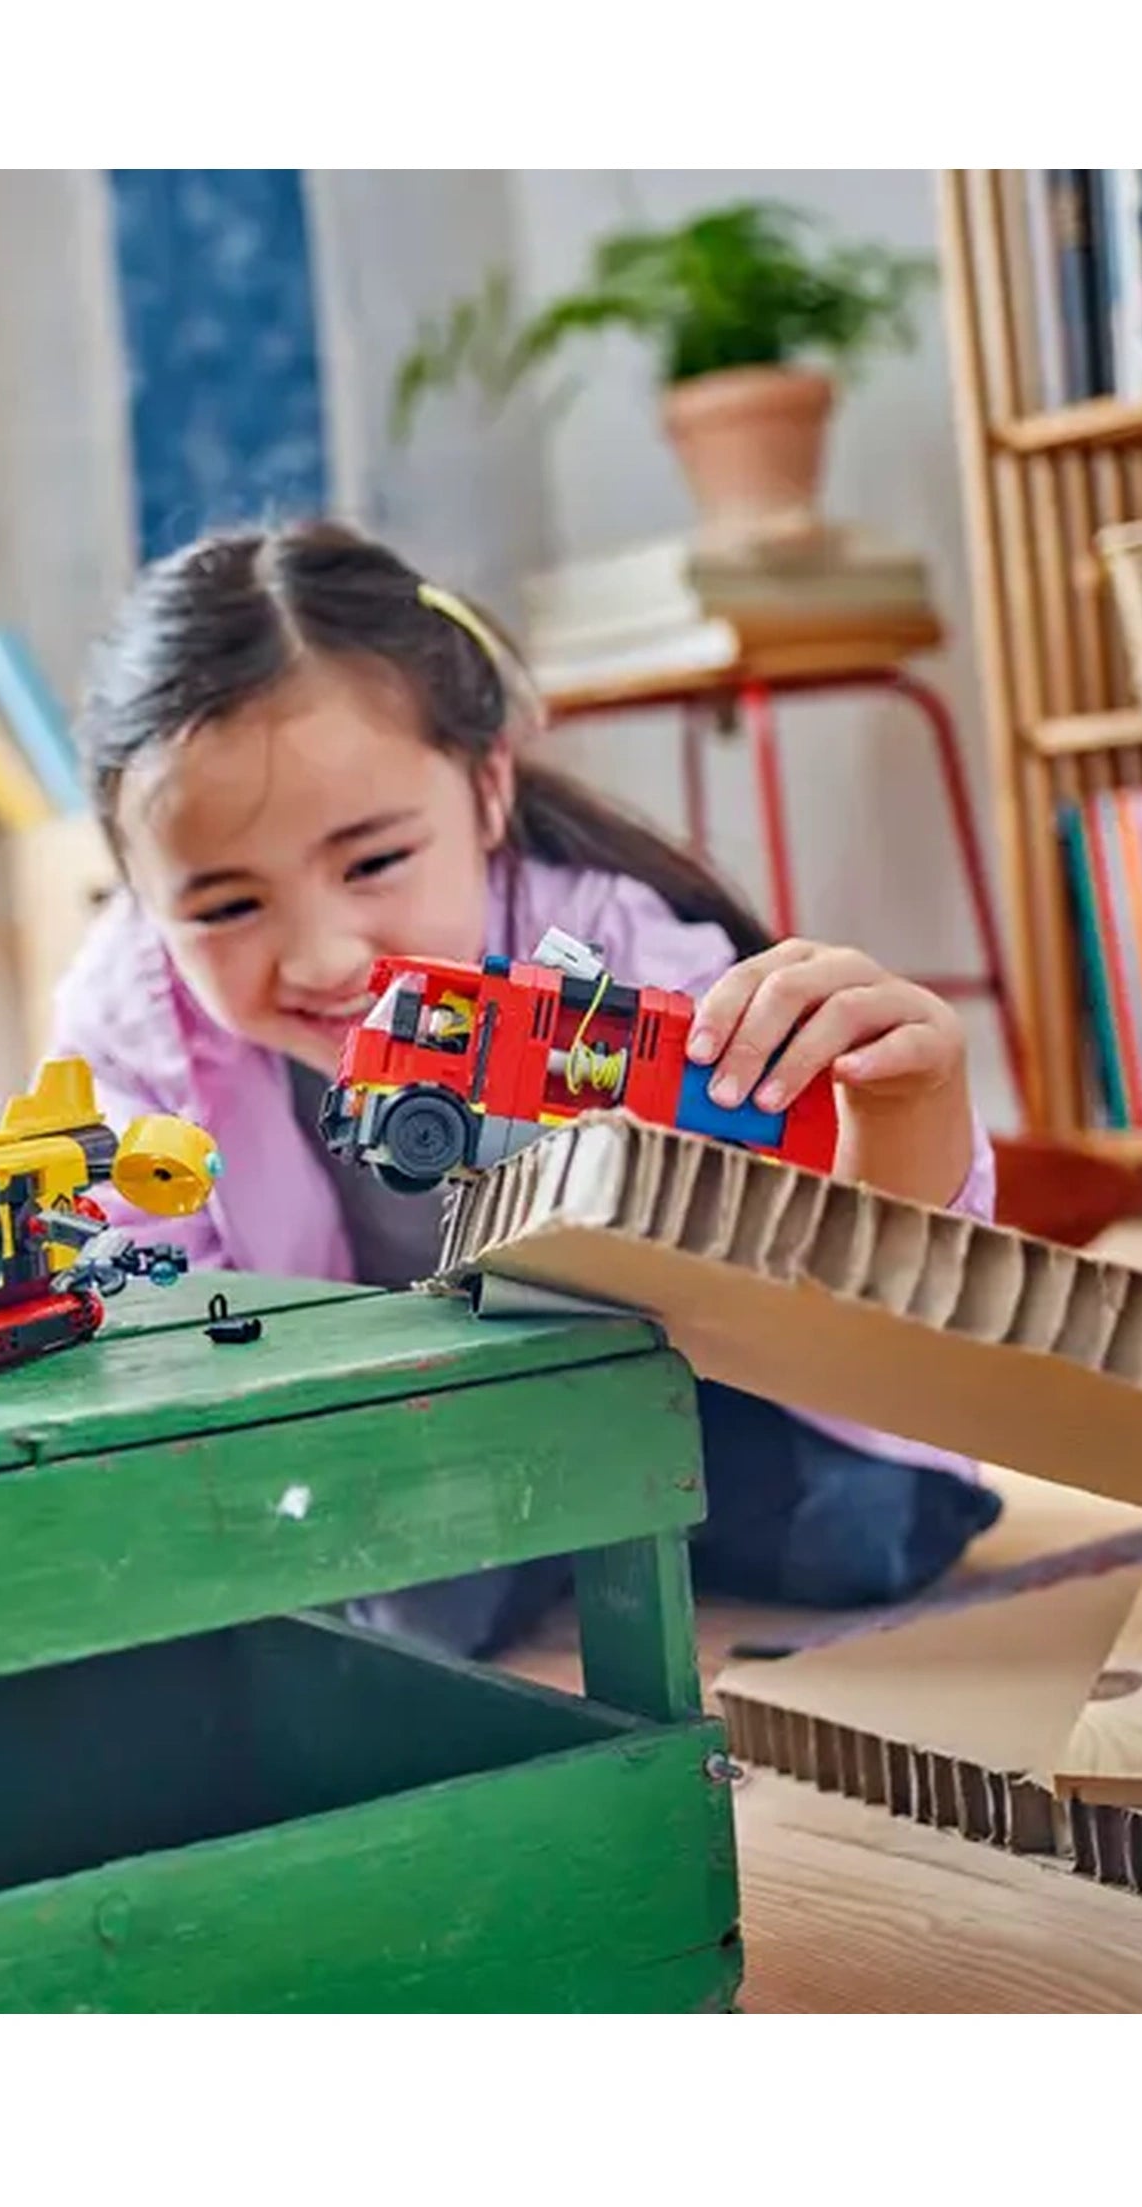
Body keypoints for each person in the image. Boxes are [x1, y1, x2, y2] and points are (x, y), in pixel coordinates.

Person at [51, 520, 1000, 1655]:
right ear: (140, 897)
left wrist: (906, 1109)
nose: (322, 957)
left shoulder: (620, 954)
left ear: (488, 788)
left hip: (684, 1378)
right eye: (223, 907)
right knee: (384, 1609)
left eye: (373, 862)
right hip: (381, 1430)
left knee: (869, 1524)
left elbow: (849, 1264)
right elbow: (159, 1314)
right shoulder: (134, 1024)